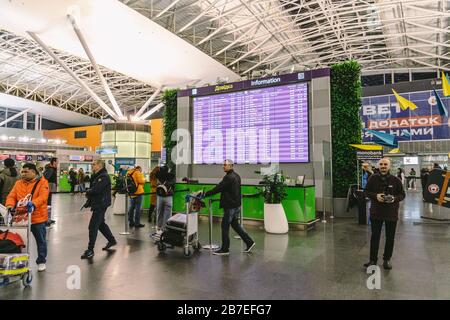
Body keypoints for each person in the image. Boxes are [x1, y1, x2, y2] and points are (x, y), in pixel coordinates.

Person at [202, 159, 255, 256]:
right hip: (236, 205)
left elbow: (218, 188)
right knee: (235, 225)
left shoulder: (229, 177)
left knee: (225, 226)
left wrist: (205, 194)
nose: (223, 166)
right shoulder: (237, 176)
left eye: (225, 165)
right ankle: (250, 242)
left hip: (230, 206)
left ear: (231, 166)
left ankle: (225, 249)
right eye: (223, 164)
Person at [5, 163, 49, 271]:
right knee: (21, 240)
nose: (23, 174)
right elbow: (12, 195)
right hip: (21, 218)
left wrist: (33, 203)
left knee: (41, 240)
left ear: (33, 172)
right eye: (22, 171)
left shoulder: (43, 182)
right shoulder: (18, 183)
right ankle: (19, 261)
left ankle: (41, 261)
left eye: (26, 171)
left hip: (38, 218)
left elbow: (43, 197)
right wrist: (9, 205)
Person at [364, 158, 405, 270]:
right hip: (376, 213)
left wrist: (394, 198)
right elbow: (366, 191)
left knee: (390, 238)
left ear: (389, 166)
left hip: (391, 214)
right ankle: (373, 260)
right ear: (378, 166)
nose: (383, 166)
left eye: (385, 164)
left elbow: (402, 194)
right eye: (381, 164)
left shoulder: (395, 180)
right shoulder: (373, 178)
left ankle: (387, 260)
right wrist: (376, 196)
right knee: (375, 237)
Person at [81, 160, 116, 259]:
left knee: (93, 226)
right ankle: (111, 240)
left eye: (94, 164)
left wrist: (88, 191)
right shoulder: (98, 176)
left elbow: (97, 189)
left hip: (101, 204)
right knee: (100, 224)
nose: (92, 166)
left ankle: (90, 250)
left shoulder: (103, 177)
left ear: (99, 166)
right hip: (99, 203)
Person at [155, 165, 175, 234]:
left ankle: (159, 227)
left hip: (160, 196)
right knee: (168, 213)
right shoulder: (171, 176)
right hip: (168, 197)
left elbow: (157, 184)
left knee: (159, 212)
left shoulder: (158, 176)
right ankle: (165, 228)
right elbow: (173, 185)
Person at [43, 158, 58, 227]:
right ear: (54, 162)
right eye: (57, 162)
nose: (57, 163)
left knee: (49, 203)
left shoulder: (51, 169)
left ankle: (48, 219)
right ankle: (46, 220)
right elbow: (46, 179)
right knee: (47, 203)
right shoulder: (50, 169)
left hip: (50, 187)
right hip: (48, 188)